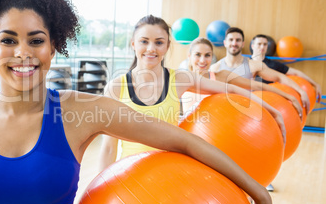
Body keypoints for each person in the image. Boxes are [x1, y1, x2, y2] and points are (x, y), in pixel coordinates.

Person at [0, 0, 276, 204]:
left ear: (52, 48)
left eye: (36, 40)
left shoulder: (82, 111)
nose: (23, 53)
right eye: (9, 40)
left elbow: (184, 141)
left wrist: (257, 192)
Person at [100, 15, 286, 171]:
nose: (151, 48)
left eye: (159, 42)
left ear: (167, 46)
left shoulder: (180, 79)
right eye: (144, 41)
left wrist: (271, 110)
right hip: (129, 176)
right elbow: (108, 149)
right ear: (133, 44)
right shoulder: (116, 87)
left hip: (169, 173)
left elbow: (231, 89)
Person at [181, 37, 303, 118]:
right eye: (198, 55)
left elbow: (258, 85)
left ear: (212, 56)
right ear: (189, 56)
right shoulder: (181, 79)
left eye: (207, 55)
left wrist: (290, 97)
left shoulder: (221, 76)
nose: (203, 60)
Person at [210, 27, 311, 114]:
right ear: (225, 43)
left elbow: (280, 77)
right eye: (231, 40)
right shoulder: (215, 68)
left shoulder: (253, 65)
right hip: (223, 113)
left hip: (246, 113)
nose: (234, 43)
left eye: (238, 40)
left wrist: (301, 92)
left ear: (243, 44)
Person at [251, 34, 322, 101]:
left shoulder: (273, 64)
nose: (262, 47)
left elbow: (296, 73)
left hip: (267, 101)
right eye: (259, 44)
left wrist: (315, 84)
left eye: (265, 44)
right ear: (253, 46)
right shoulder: (245, 63)